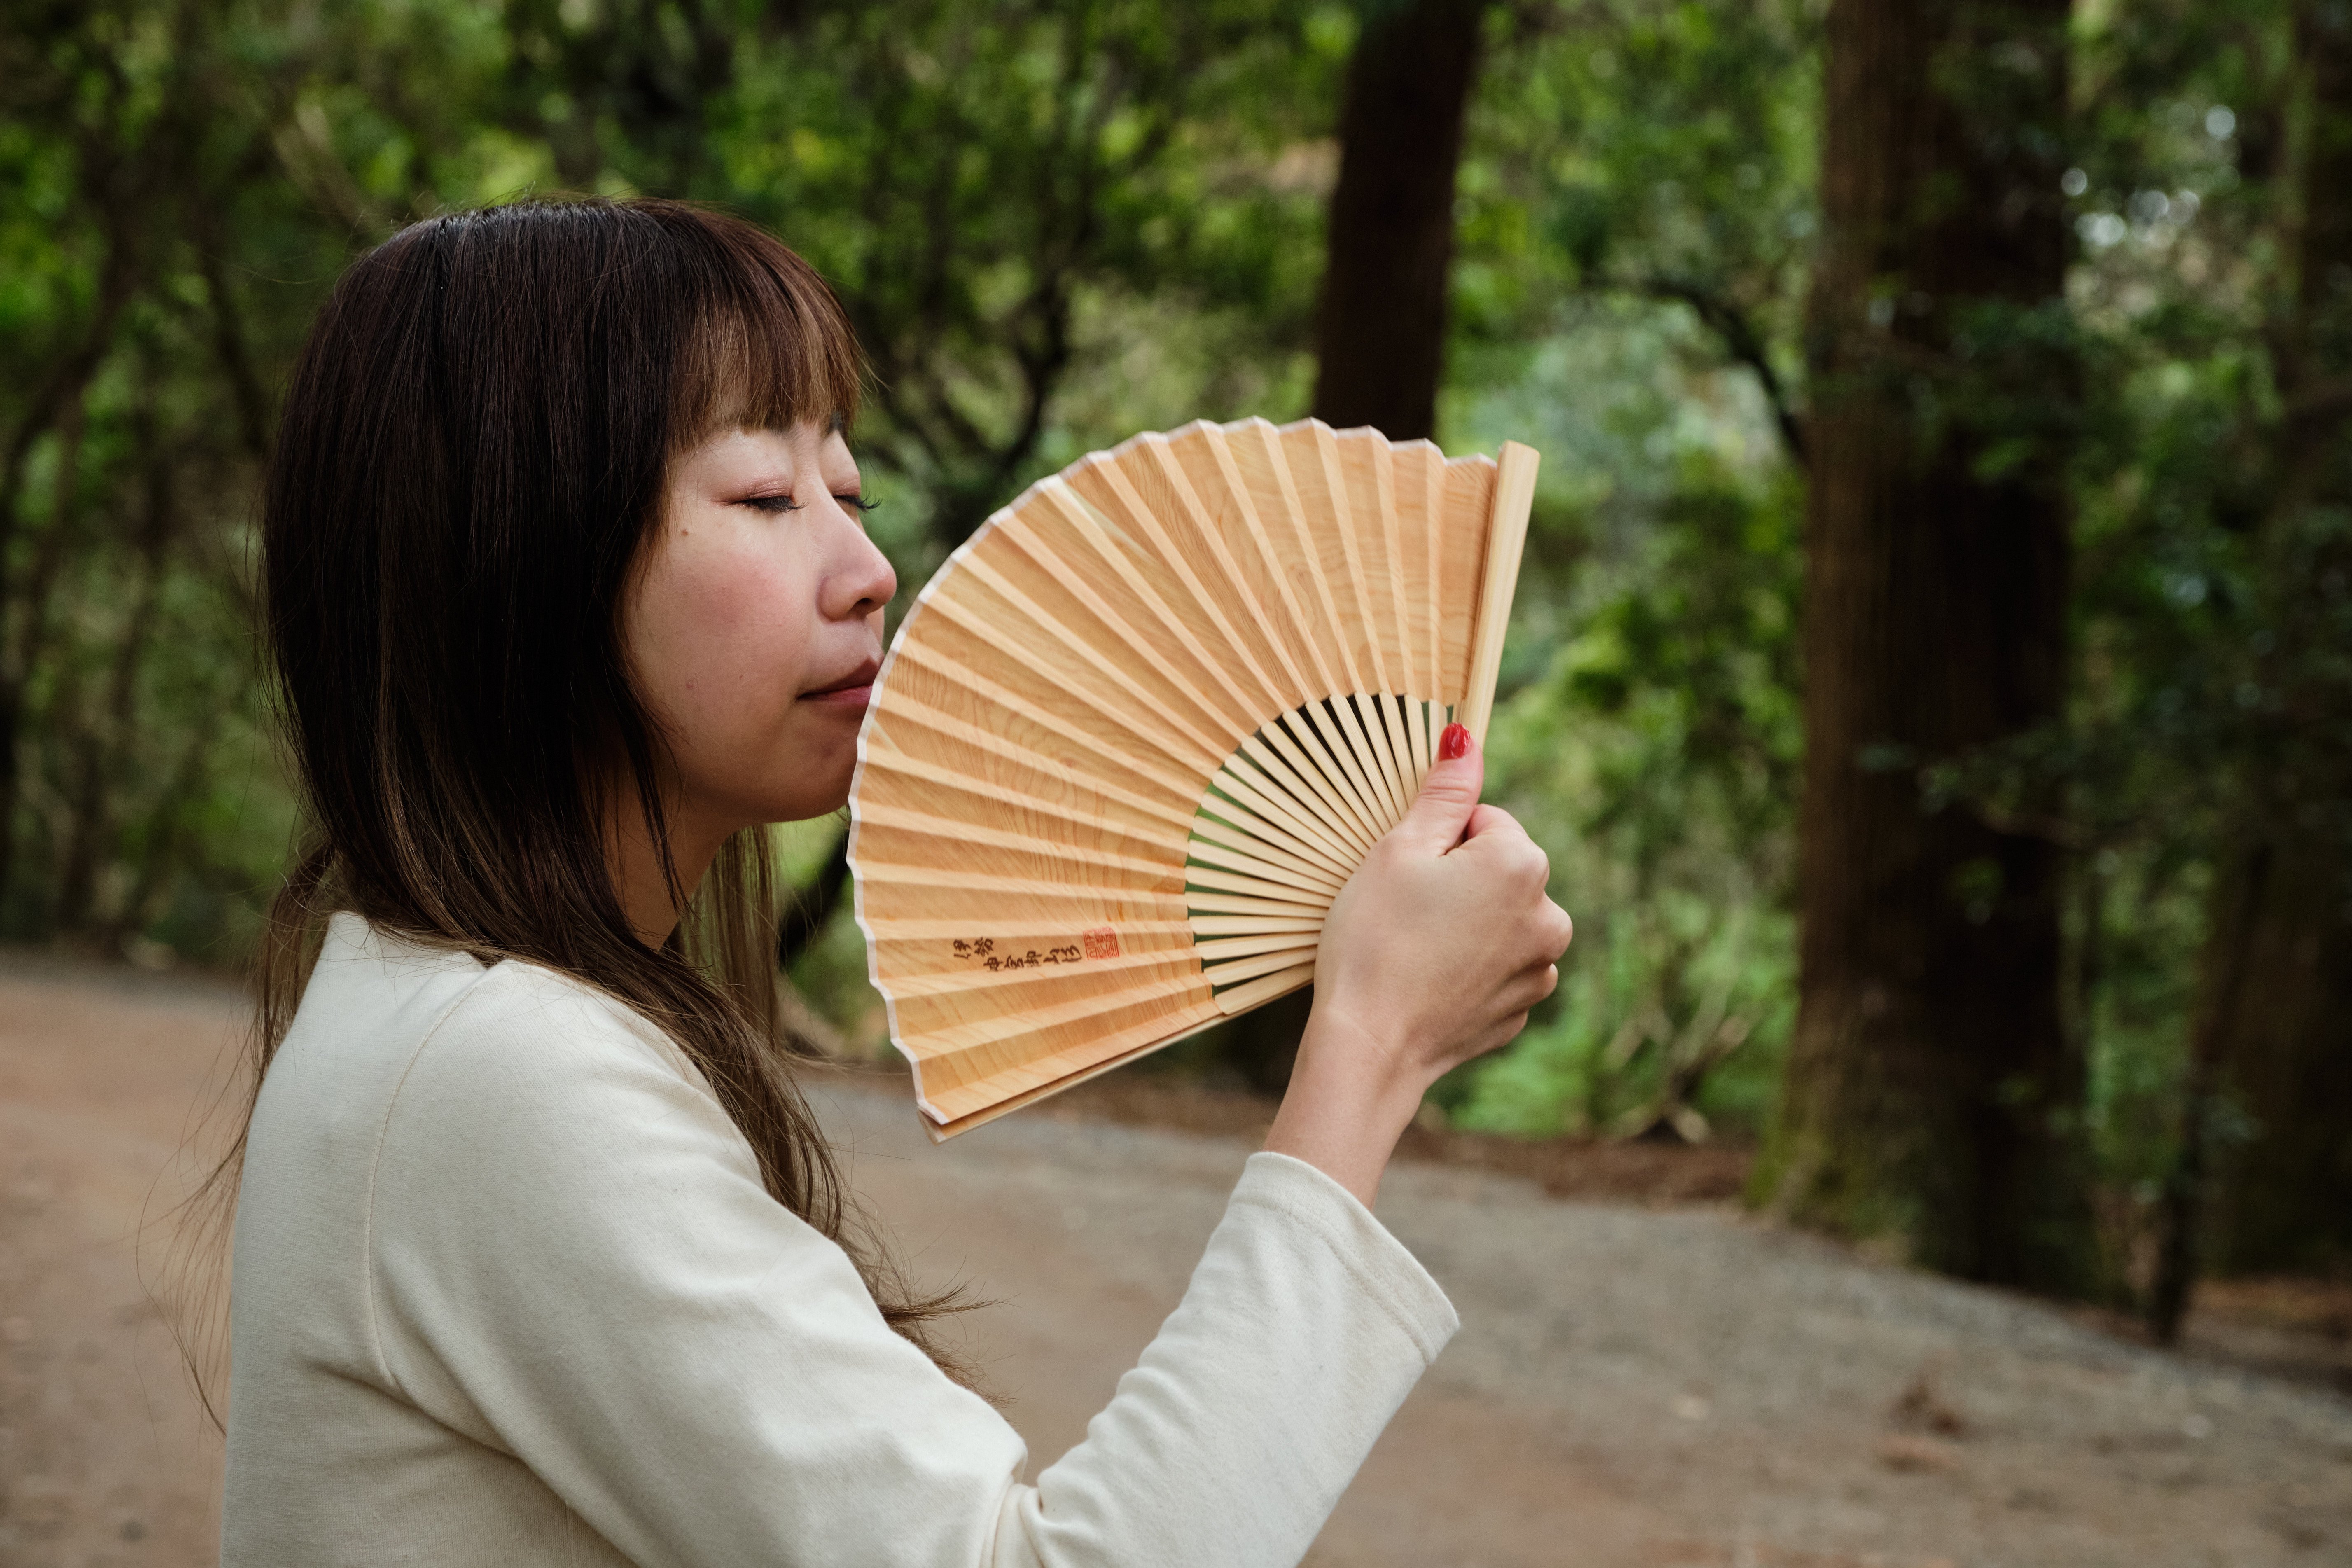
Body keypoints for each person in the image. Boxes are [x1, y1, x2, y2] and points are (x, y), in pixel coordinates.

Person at [218, 196, 1573, 1567]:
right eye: (766, 498)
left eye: (849, 496)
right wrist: (1374, 1041)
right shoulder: (496, 1072)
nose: (869, 572)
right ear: (518, 556)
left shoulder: (445, 1014)